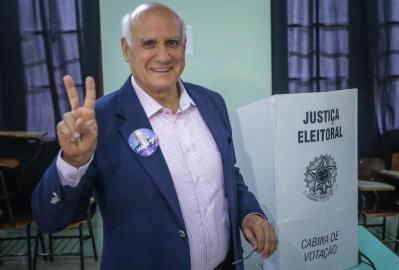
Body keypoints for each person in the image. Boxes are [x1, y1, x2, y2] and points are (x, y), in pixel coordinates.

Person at [31, 3, 277, 270]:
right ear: (126, 49)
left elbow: (229, 177)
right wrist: (73, 161)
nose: (163, 55)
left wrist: (250, 215)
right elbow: (49, 219)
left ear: (184, 45)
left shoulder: (211, 103)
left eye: (172, 42)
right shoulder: (100, 120)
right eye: (149, 43)